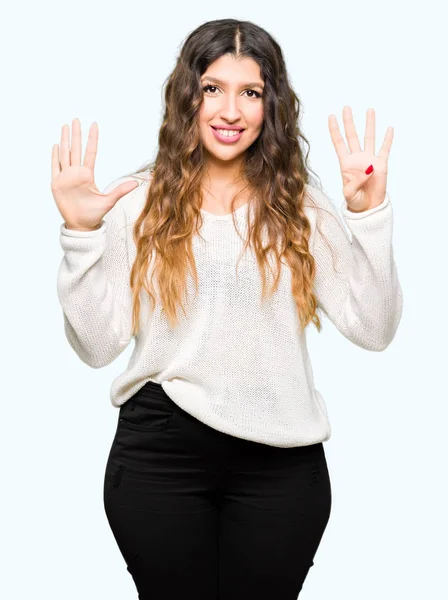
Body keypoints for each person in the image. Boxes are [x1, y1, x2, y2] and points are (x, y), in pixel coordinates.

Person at [52, 18, 403, 600]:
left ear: (271, 107)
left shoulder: (300, 210)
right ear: (187, 96)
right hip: (160, 455)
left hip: (280, 464)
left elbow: (375, 328)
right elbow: (94, 345)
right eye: (213, 88)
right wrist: (82, 233)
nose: (230, 110)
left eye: (251, 92)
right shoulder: (135, 203)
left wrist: (370, 216)